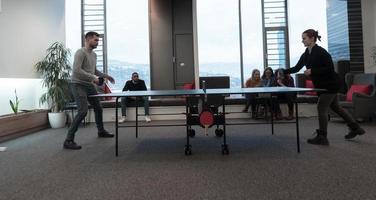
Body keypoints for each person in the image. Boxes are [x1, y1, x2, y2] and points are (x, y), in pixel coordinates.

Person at [283, 29, 365, 145]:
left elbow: (330, 68)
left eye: (304, 38)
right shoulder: (306, 54)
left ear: (312, 38)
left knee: (321, 108)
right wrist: (283, 71)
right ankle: (356, 128)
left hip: (330, 84)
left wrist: (313, 71)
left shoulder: (321, 52)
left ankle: (322, 137)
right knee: (336, 107)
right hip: (323, 85)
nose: (302, 41)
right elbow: (297, 68)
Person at [64, 31, 115, 150]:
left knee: (98, 108)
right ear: (87, 40)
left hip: (89, 85)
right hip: (77, 84)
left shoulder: (94, 55)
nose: (97, 42)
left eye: (98, 40)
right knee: (83, 111)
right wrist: (94, 78)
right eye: (95, 40)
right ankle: (68, 140)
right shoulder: (80, 53)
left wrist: (106, 76)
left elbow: (94, 70)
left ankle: (101, 131)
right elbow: (77, 70)